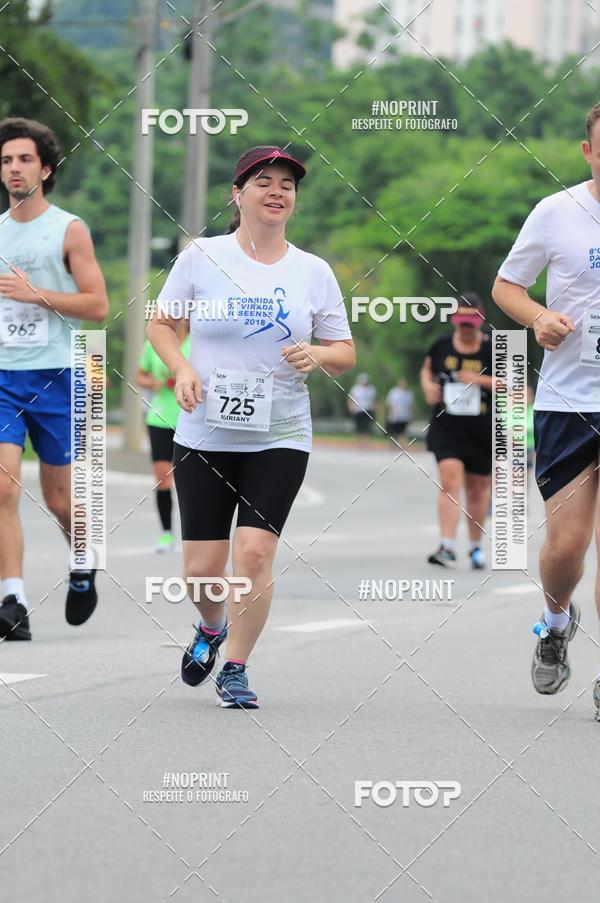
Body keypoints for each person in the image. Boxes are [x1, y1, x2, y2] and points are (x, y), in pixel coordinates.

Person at [148, 145, 355, 708]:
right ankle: (211, 625)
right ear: (237, 194)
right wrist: (182, 366)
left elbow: (344, 351)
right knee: (201, 572)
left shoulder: (313, 271)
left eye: (287, 184)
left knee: (256, 555)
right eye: (263, 181)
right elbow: (162, 326)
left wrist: (318, 354)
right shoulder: (201, 258)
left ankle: (235, 665)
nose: (277, 191)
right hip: (204, 434)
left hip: (280, 434)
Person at [492, 101, 600, 714]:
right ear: (588, 151)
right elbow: (507, 286)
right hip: (569, 401)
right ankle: (555, 625)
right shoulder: (557, 213)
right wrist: (538, 318)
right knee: (567, 548)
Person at [0, 117, 108, 641]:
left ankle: (83, 559)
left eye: (24, 159)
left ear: (45, 168)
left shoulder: (69, 228)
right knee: (2, 488)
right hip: (2, 375)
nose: (14, 169)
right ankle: (13, 600)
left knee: (61, 498)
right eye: (6, 160)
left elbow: (98, 305)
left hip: (57, 375)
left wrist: (36, 294)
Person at [420, 293, 493, 570]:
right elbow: (426, 370)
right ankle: (446, 546)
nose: (466, 327)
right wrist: (428, 386)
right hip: (446, 426)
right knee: (450, 481)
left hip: (482, 429)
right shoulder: (440, 346)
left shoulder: (492, 349)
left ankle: (475, 547)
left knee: (477, 489)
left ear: (480, 320)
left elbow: (512, 384)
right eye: (461, 320)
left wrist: (480, 380)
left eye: (471, 321)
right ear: (454, 320)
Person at [136, 319, 190, 552]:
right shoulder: (154, 342)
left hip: (191, 419)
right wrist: (153, 382)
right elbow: (140, 375)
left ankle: (193, 537)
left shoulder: (199, 343)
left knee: (191, 481)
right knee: (163, 477)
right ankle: (167, 534)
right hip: (159, 418)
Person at [348, 373, 377, 444]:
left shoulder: (371, 389)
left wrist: (375, 408)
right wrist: (351, 407)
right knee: (359, 428)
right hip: (358, 410)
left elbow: (375, 399)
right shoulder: (355, 389)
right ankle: (359, 443)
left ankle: (367, 443)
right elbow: (350, 399)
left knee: (367, 427)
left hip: (368, 410)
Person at [385, 378, 414, 446]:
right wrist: (391, 413)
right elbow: (389, 404)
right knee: (393, 432)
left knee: (403, 432)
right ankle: (392, 446)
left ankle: (402, 446)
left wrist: (412, 414)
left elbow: (411, 405)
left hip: (404, 416)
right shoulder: (393, 392)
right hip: (394, 416)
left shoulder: (409, 393)